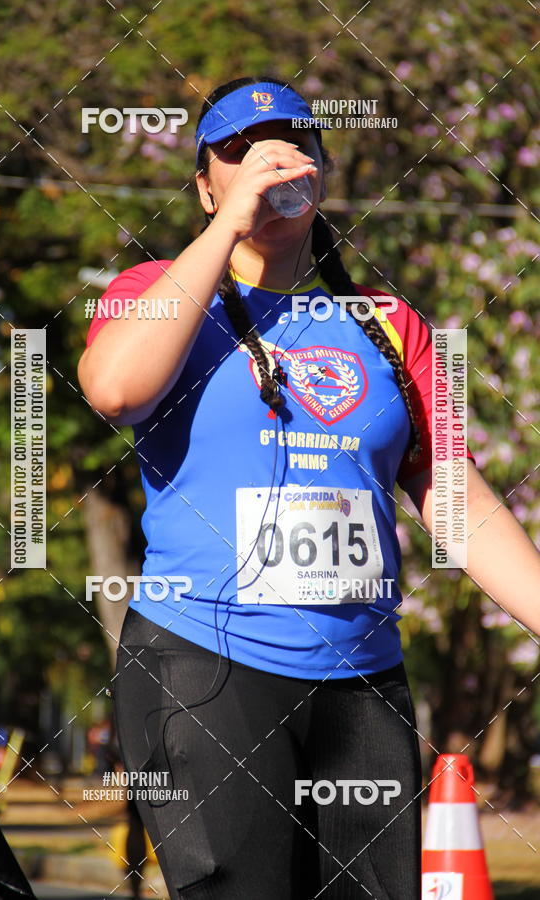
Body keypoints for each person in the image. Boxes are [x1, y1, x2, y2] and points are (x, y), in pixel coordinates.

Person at [78, 75, 540, 900]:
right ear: (203, 182)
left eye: (294, 142)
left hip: (364, 679)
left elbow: (452, 496)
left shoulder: (390, 326)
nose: (271, 159)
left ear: (322, 170)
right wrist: (230, 226)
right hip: (206, 665)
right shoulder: (153, 292)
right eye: (239, 151)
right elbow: (115, 388)